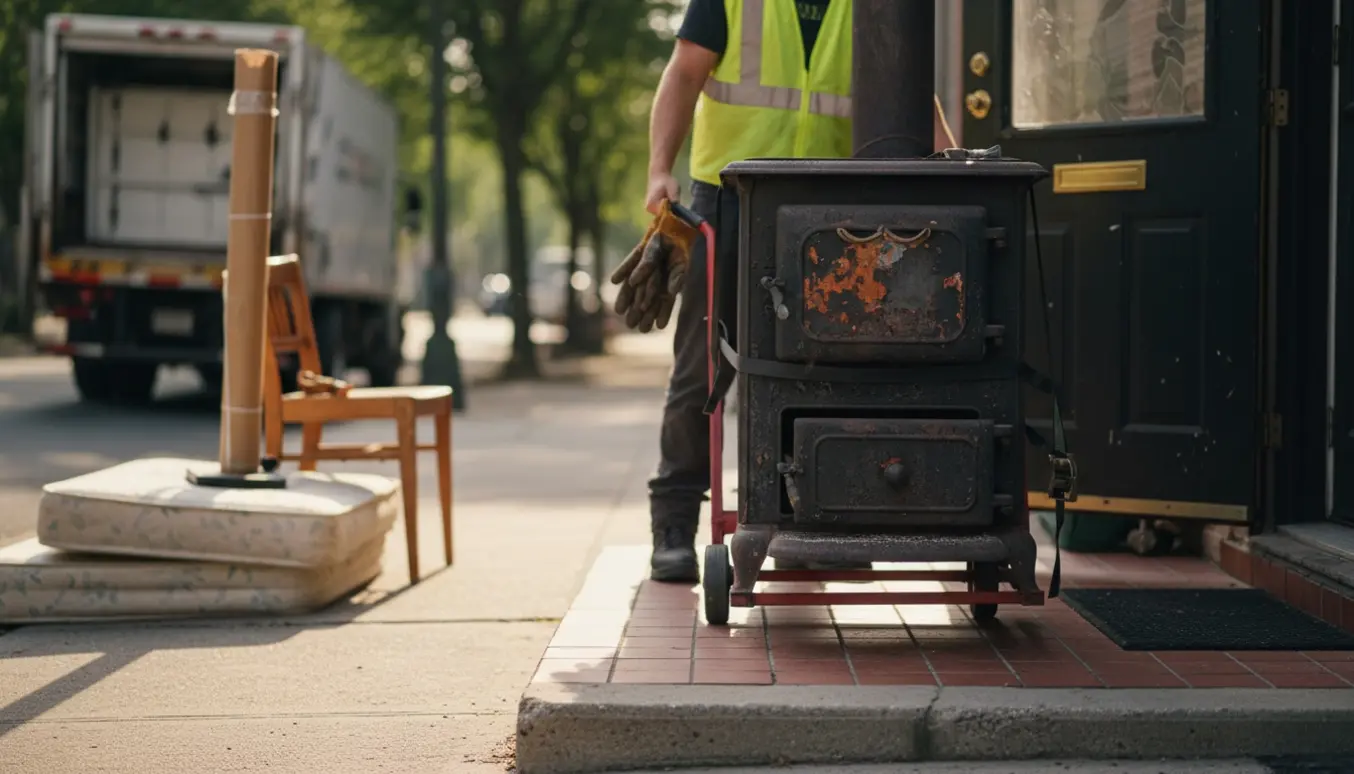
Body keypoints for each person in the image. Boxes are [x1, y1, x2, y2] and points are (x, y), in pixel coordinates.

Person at [644, 0, 861, 583]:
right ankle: (673, 523)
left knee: (820, 364)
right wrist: (659, 170)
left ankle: (809, 517)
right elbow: (685, 70)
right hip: (728, 195)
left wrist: (948, 162)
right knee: (702, 366)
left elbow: (912, 97)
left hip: (829, 204)